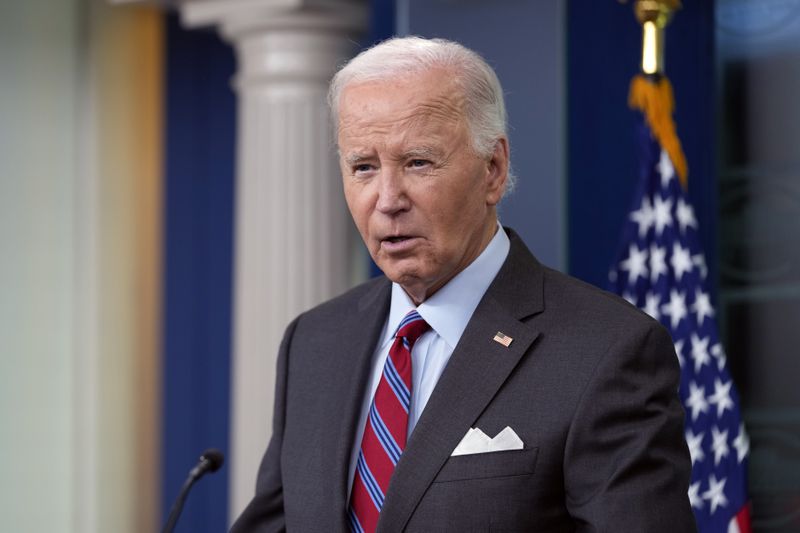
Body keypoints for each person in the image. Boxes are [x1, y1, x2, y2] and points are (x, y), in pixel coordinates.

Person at [230, 36, 696, 532]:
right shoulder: (314, 341)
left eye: (418, 162)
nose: (387, 199)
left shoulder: (606, 350)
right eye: (363, 167)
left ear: (493, 170)